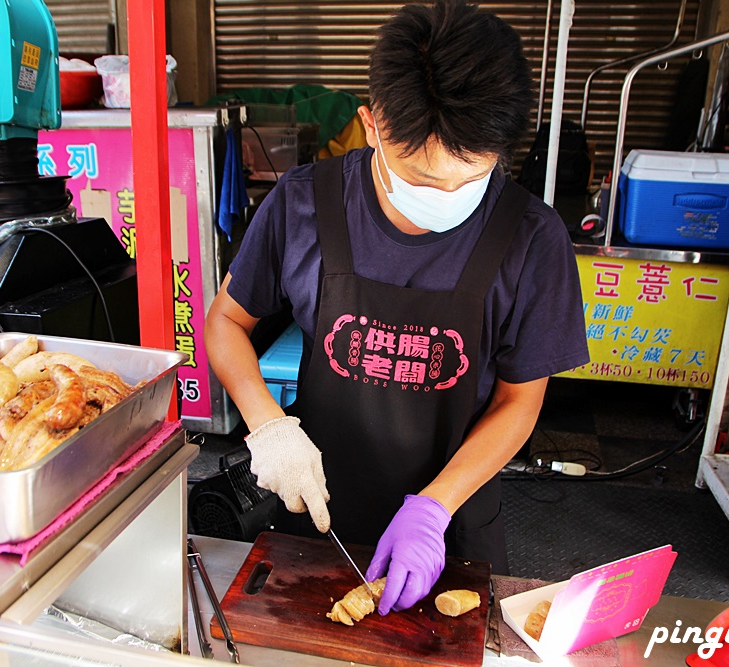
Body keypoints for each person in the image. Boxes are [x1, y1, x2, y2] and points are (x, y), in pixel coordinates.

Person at [205, 0, 589, 616]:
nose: (442, 197)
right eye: (419, 175)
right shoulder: (302, 204)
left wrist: (435, 507)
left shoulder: (532, 239)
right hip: (316, 510)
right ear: (372, 123)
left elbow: (520, 400)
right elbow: (225, 321)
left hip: (454, 524)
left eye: (467, 178)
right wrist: (268, 426)